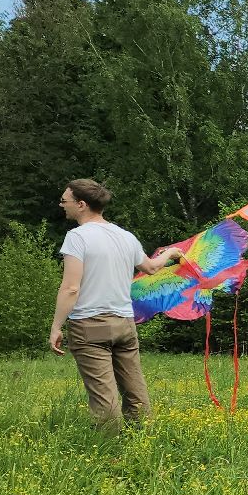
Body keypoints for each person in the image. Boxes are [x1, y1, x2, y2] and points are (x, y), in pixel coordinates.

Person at [48, 179, 184, 430]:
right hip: (124, 325)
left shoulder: (77, 237)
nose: (61, 205)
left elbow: (71, 288)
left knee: (103, 398)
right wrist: (172, 253)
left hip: (89, 327)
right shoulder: (125, 236)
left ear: (81, 204)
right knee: (135, 390)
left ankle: (109, 452)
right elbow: (151, 267)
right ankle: (144, 442)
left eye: (64, 201)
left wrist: (56, 327)